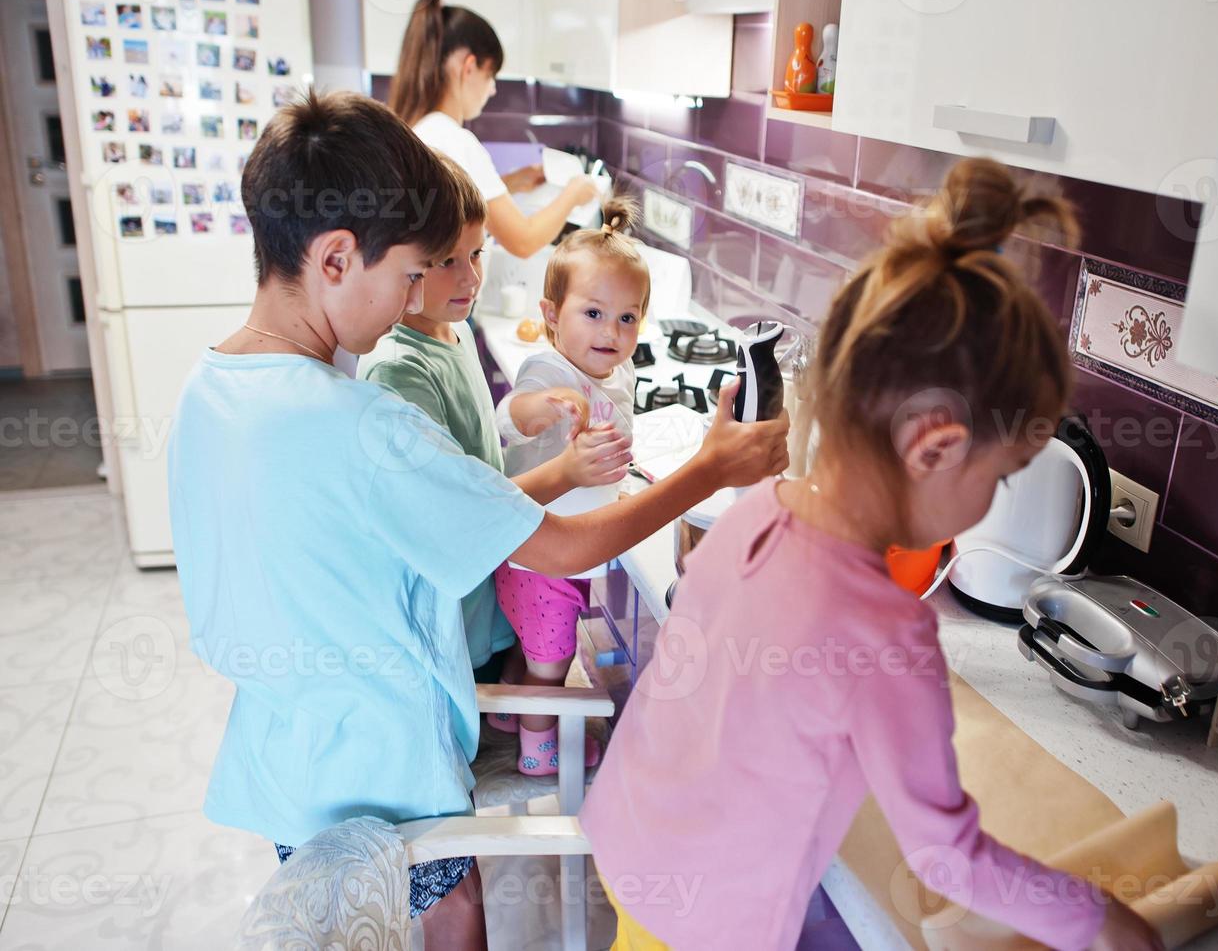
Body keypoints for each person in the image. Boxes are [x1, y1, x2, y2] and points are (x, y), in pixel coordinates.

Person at [168, 90, 787, 950]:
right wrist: (714, 468)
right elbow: (565, 545)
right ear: (338, 258)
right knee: (452, 911)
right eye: (410, 275)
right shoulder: (363, 425)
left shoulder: (207, 391)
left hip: (288, 762)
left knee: (360, 919)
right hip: (386, 782)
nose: (415, 298)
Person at [579, 158, 1166, 951]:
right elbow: (948, 859)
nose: (991, 502)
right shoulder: (889, 633)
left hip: (632, 838)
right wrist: (1102, 919)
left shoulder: (755, 509)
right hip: (706, 919)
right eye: (1000, 475)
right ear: (935, 448)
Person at [358, 155, 631, 699]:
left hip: (492, 589)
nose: (473, 276)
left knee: (518, 676)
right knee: (507, 704)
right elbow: (467, 514)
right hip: (455, 619)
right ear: (402, 262)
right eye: (446, 261)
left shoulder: (450, 332)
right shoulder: (398, 369)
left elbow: (487, 453)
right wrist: (568, 472)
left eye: (478, 253)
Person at [493, 196, 646, 774]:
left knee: (531, 650)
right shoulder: (551, 371)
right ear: (552, 315)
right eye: (594, 314)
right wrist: (543, 407)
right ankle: (539, 750)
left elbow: (613, 442)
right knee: (549, 664)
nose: (611, 331)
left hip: (568, 549)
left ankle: (510, 711)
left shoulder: (618, 370)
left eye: (627, 317)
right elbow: (516, 413)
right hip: (539, 559)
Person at [389, 0, 598, 258]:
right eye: (491, 75)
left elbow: (451, 202)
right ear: (469, 67)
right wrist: (573, 194)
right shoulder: (455, 140)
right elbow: (523, 240)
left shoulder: (418, 129)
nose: (493, 90)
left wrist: (510, 183)